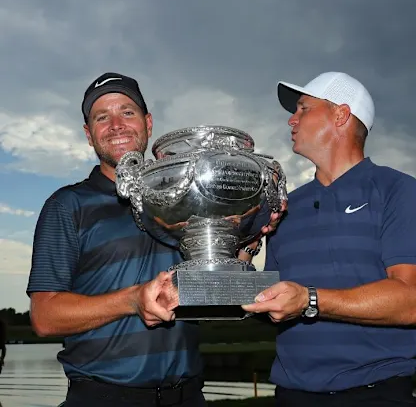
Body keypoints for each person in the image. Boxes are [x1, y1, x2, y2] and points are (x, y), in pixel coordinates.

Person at [26, 72, 206, 407]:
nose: (116, 125)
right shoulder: (67, 205)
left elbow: (212, 287)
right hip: (102, 398)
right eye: (102, 117)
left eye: (127, 112)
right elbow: (44, 316)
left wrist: (248, 237)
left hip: (189, 396)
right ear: (89, 134)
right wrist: (132, 299)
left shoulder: (186, 200)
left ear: (148, 123)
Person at [242, 71, 416, 406]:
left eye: (304, 108)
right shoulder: (284, 208)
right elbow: (273, 303)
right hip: (291, 396)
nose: (292, 119)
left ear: (341, 115)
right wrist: (246, 245)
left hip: (375, 394)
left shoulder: (398, 191)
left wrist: (309, 300)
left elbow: (410, 299)